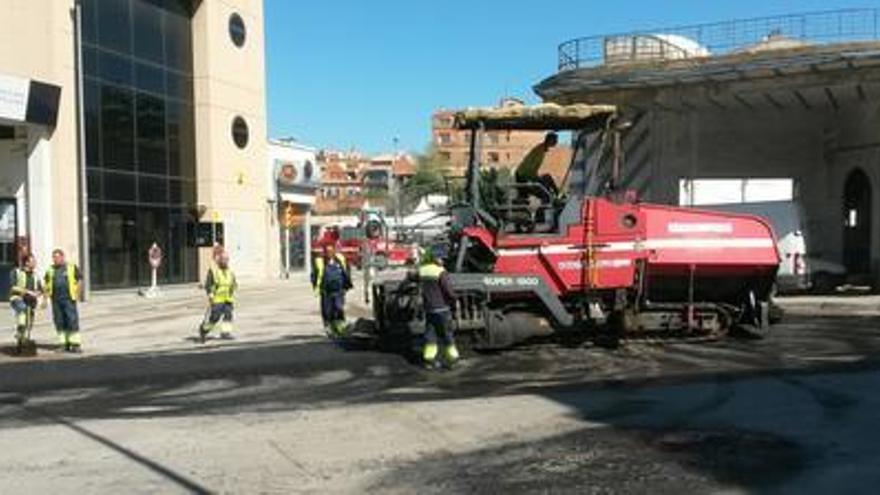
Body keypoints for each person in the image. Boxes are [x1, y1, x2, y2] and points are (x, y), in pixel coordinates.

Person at [417, 245, 459, 368]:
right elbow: (449, 291)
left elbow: (415, 279)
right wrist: (455, 299)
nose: (443, 260)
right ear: (435, 258)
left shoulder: (423, 270)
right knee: (447, 334)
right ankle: (453, 359)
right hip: (442, 308)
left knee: (430, 335)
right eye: (441, 258)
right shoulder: (441, 272)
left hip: (429, 309)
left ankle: (429, 361)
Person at [44, 249, 83, 353]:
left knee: (72, 320)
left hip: (68, 298)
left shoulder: (71, 267)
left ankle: (75, 344)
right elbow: (47, 285)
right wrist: (44, 299)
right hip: (56, 300)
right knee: (59, 321)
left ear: (62, 257)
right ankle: (63, 344)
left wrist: (78, 293)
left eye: (57, 257)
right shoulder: (50, 270)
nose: (55, 259)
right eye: (54, 257)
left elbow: (79, 279)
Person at [312, 244, 352, 336]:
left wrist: (346, 286)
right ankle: (329, 328)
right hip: (326, 291)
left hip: (339, 290)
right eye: (327, 251)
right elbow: (314, 276)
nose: (329, 253)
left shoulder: (340, 260)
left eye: (331, 250)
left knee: (339, 308)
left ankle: (340, 328)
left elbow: (346, 271)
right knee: (327, 310)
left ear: (334, 251)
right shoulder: (320, 261)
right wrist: (317, 288)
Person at [200, 250, 238, 341]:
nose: (226, 261)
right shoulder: (214, 271)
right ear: (219, 260)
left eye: (227, 259)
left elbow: (233, 282)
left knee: (228, 315)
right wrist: (210, 294)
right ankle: (204, 329)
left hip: (228, 299)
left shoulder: (230, 271)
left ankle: (225, 333)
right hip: (217, 299)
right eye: (224, 259)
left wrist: (234, 287)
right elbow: (208, 284)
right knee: (215, 318)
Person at [10, 254, 41, 348]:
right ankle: (20, 331)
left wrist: (38, 293)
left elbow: (40, 288)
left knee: (30, 321)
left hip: (31, 301)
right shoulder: (16, 272)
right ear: (26, 262)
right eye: (33, 261)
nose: (35, 263)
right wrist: (28, 292)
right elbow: (13, 287)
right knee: (22, 309)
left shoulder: (35, 275)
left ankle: (23, 339)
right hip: (17, 298)